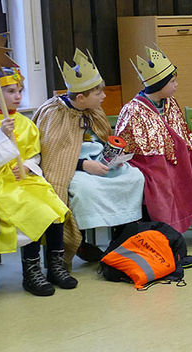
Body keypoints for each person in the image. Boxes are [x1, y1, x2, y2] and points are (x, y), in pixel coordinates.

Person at [33, 49, 144, 264]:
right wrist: (84, 165)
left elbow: (104, 138)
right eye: (98, 93)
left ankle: (121, 242)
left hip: (100, 164)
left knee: (135, 178)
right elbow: (52, 158)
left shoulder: (93, 109)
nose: (104, 96)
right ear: (81, 97)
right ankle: (78, 243)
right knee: (86, 189)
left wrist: (113, 158)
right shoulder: (54, 113)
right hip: (73, 169)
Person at [115, 47, 192, 244]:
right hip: (150, 161)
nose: (176, 85)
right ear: (159, 85)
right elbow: (128, 145)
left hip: (181, 154)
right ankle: (167, 231)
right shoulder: (133, 109)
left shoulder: (170, 102)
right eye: (172, 81)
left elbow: (183, 133)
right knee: (163, 181)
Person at [0, 51, 73, 296]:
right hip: (1, 183)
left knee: (55, 207)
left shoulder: (26, 123)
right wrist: (2, 137)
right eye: (10, 92)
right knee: (34, 210)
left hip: (25, 179)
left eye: (20, 91)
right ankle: (31, 271)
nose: (17, 97)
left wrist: (28, 165)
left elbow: (35, 154)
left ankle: (55, 265)